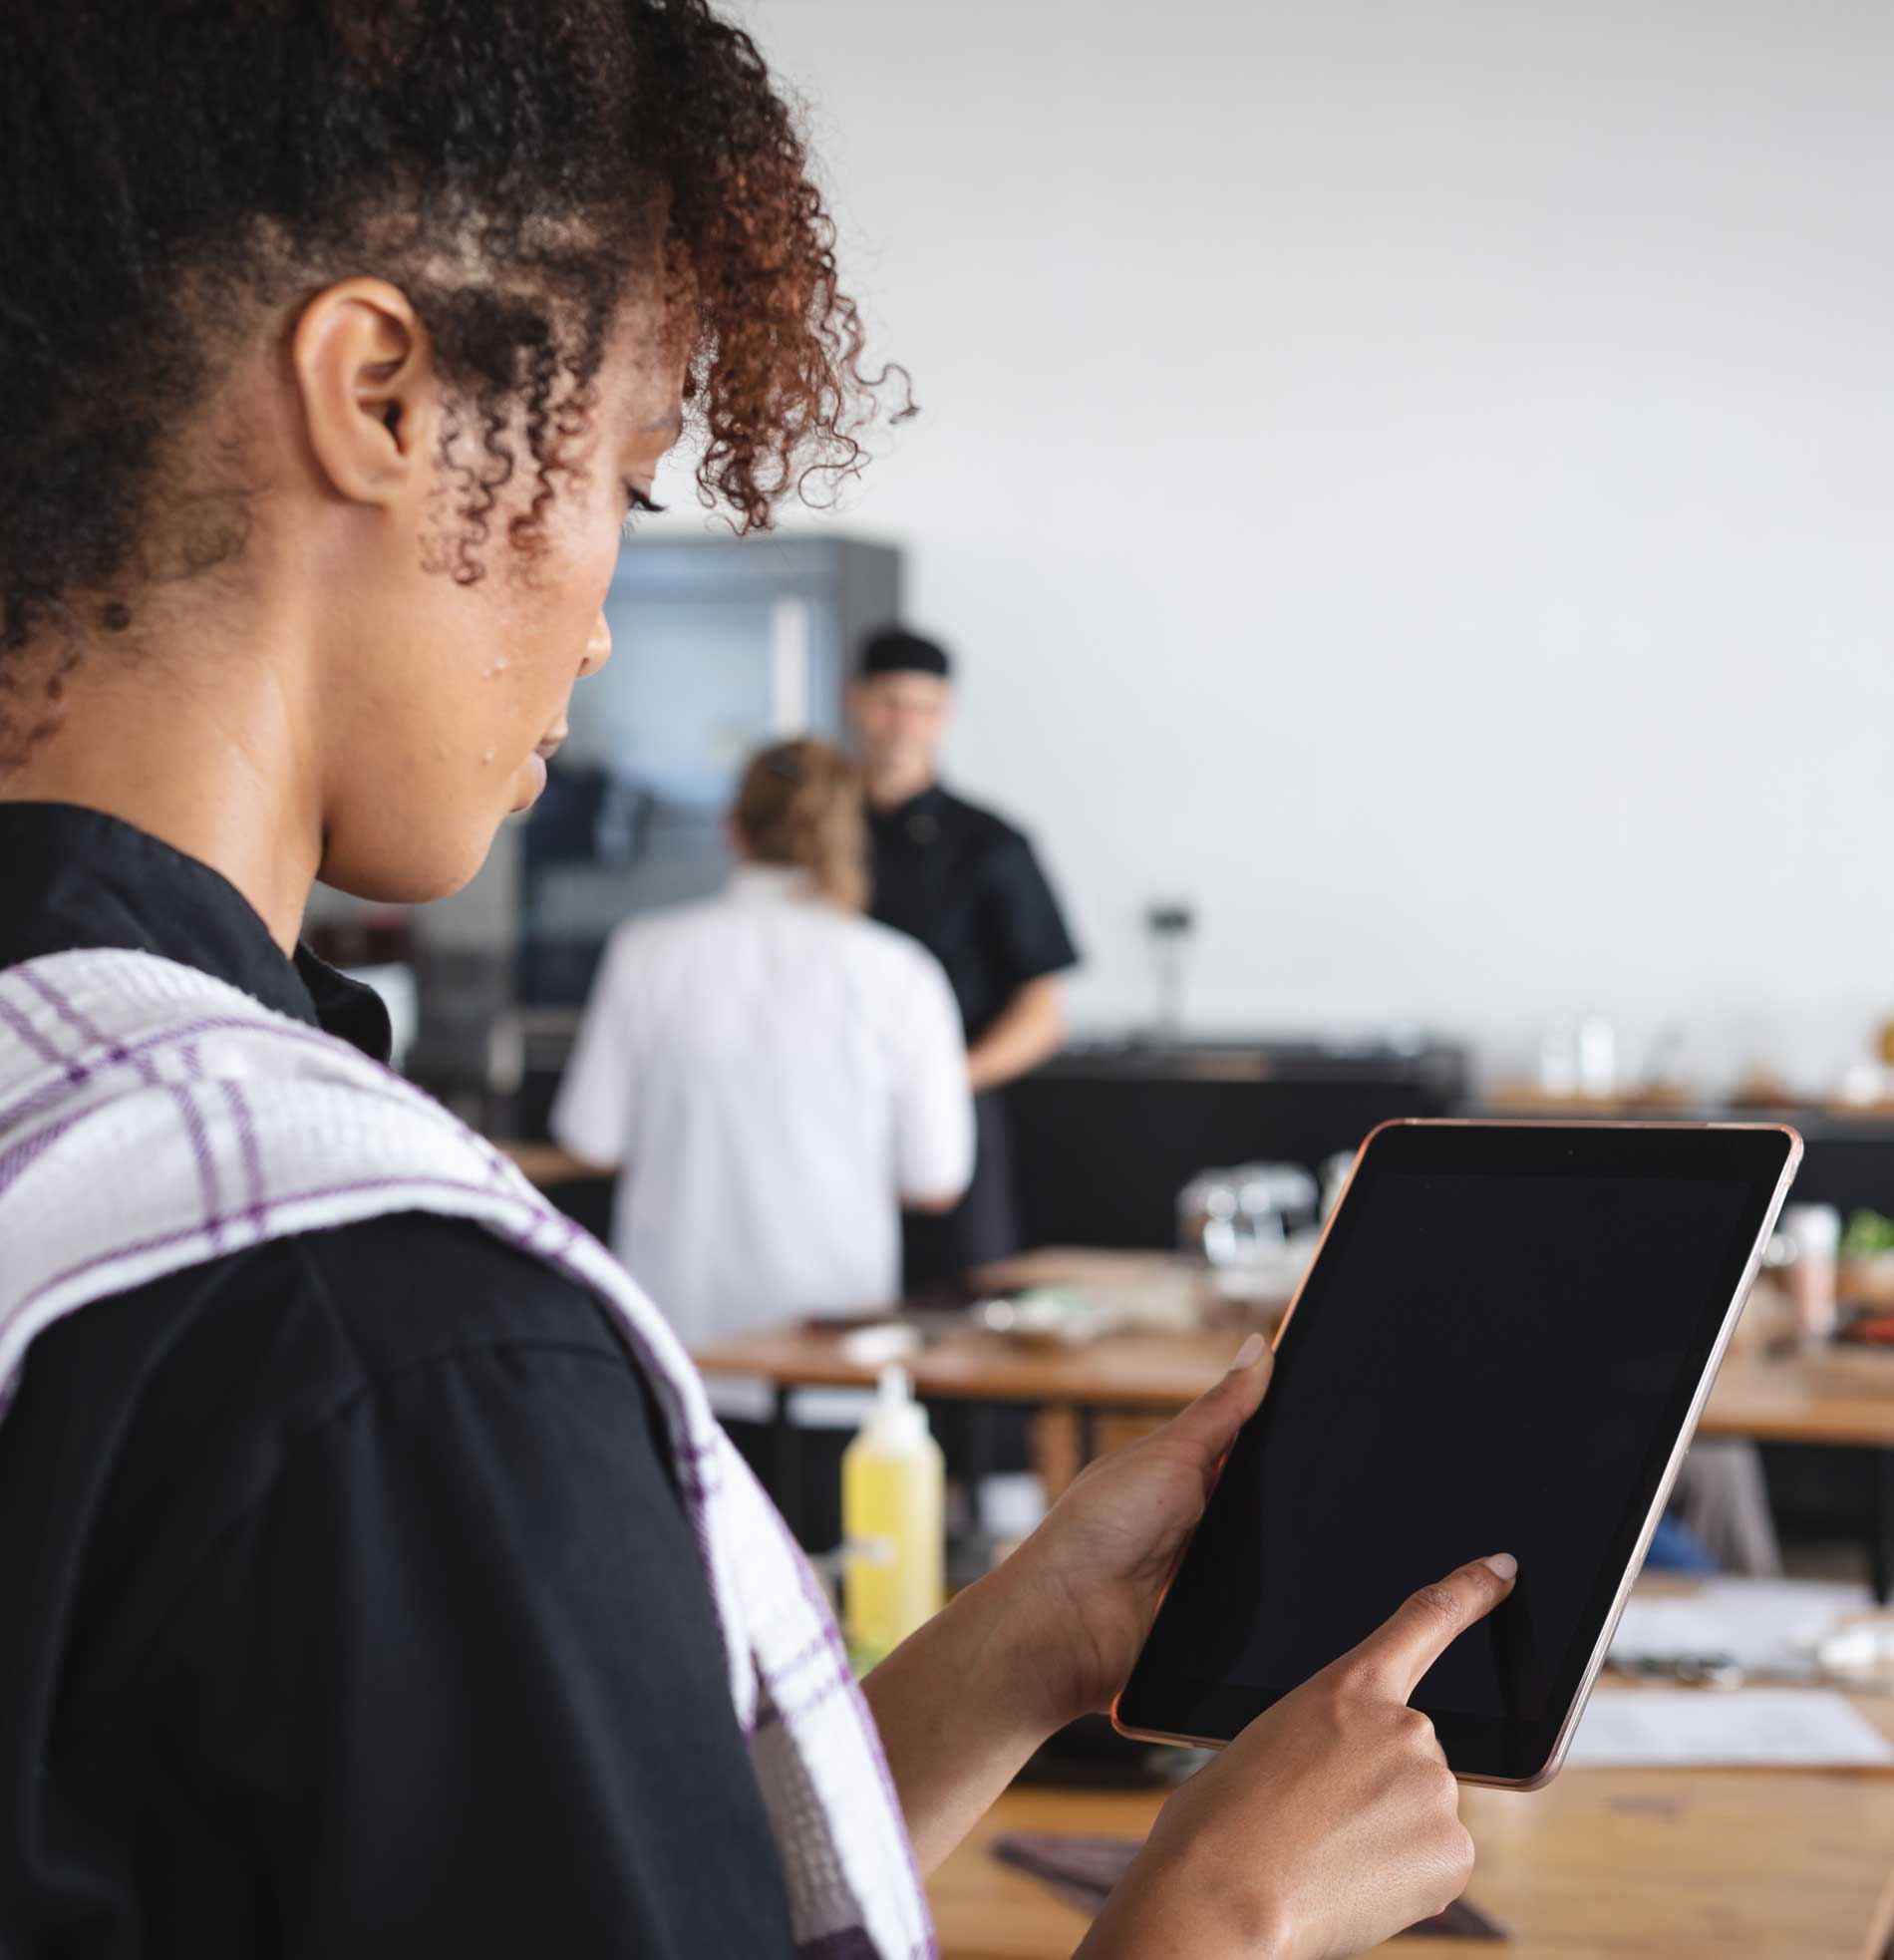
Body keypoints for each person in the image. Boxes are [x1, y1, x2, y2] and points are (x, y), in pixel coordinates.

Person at [0, 5, 1513, 1958]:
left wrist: (1016, 1644)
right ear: (380, 392)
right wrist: (1219, 1911)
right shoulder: (386, 1340)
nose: (608, 624)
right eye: (626, 484)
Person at [549, 738, 971, 1539]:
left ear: (732, 831)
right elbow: (936, 1177)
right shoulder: (898, 972)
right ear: (851, 839)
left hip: (680, 1352)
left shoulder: (648, 953)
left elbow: (591, 1137)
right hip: (830, 1362)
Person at [852, 626, 1081, 1285]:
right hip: (831, 1114)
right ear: (858, 702)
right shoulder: (820, 832)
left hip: (955, 1110)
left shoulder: (991, 843)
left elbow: (1044, 1014)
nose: (904, 724)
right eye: (889, 703)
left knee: (962, 1299)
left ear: (944, 716)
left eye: (923, 708)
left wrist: (939, 1084)